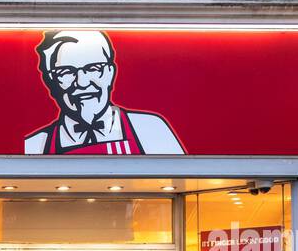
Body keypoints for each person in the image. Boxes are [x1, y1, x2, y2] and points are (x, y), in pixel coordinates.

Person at [24, 30, 184, 156]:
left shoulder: (149, 129)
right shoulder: (36, 144)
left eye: (93, 69)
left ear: (110, 73)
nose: (82, 82)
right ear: (51, 80)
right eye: (66, 72)